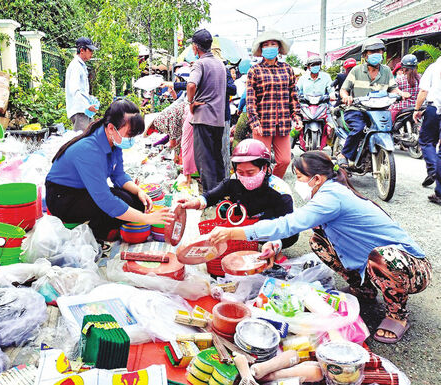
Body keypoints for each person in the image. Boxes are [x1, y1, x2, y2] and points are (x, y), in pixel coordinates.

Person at [209, 151, 431, 344]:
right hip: (370, 259)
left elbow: (288, 224)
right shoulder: (327, 192)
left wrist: (232, 232)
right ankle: (363, 289)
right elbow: (299, 225)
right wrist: (274, 245)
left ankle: (397, 315)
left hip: (411, 267)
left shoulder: (331, 197)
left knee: (383, 257)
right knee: (318, 241)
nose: (297, 183)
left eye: (298, 177)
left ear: (315, 178)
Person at [45, 99, 174, 241]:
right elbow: (105, 199)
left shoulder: (114, 141)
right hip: (62, 198)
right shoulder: (89, 150)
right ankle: (95, 235)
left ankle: (102, 229)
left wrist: (139, 191)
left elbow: (119, 175)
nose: (131, 139)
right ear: (112, 128)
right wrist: (147, 219)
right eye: (129, 134)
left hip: (84, 190)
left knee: (137, 202)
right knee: (120, 205)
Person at [179, 139, 298, 251]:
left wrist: (276, 245)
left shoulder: (280, 191)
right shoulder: (234, 181)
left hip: (268, 232)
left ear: (265, 168)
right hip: (243, 227)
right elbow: (211, 196)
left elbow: (289, 229)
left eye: (250, 173)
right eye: (240, 172)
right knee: (224, 210)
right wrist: (196, 202)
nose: (245, 177)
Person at [338, 38, 410, 166]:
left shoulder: (387, 70)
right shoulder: (356, 70)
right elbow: (344, 90)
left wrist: (400, 94)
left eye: (379, 51)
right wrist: (346, 97)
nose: (376, 54)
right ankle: (344, 154)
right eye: (372, 51)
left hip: (380, 110)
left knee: (388, 129)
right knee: (358, 128)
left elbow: (393, 89)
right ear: (365, 55)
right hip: (358, 109)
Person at [246, 30, 302, 179]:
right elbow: (251, 100)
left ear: (279, 48)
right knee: (261, 161)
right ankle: (260, 188)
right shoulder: (255, 71)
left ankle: (273, 184)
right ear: (261, 49)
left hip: (282, 123)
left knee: (284, 160)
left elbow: (293, 95)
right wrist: (254, 121)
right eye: (266, 45)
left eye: (273, 44)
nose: (270, 47)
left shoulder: (287, 69)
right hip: (262, 123)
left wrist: (296, 116)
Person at [187, 29, 227, 191]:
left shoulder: (200, 63)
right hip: (218, 120)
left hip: (203, 118)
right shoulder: (220, 64)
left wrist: (191, 102)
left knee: (205, 161)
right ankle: (222, 195)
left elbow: (191, 85)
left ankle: (209, 199)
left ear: (196, 47)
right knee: (217, 159)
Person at [413, 56, 441, 202]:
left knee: (426, 141)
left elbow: (424, 91)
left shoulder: (434, 67)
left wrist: (417, 109)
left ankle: (433, 170)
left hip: (435, 109)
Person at [65, 37, 99, 132]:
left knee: (90, 136)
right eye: (90, 50)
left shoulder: (81, 65)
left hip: (84, 110)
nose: (92, 53)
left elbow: (82, 89)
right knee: (82, 140)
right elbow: (74, 90)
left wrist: (90, 100)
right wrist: (87, 106)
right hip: (80, 110)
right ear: (82, 50)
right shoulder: (75, 66)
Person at [390, 54, 421, 123]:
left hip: (403, 107)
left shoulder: (400, 79)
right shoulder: (421, 78)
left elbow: (393, 91)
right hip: (419, 106)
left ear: (403, 68)